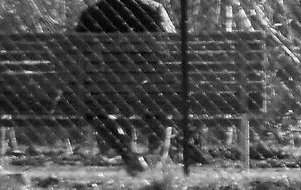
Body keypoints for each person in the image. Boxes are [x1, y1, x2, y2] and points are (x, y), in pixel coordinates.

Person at [71, 0, 203, 170]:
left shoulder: (94, 13)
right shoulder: (153, 9)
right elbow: (172, 48)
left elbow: (75, 50)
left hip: (107, 90)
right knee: (162, 99)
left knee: (92, 108)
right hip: (150, 87)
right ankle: (157, 156)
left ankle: (127, 152)